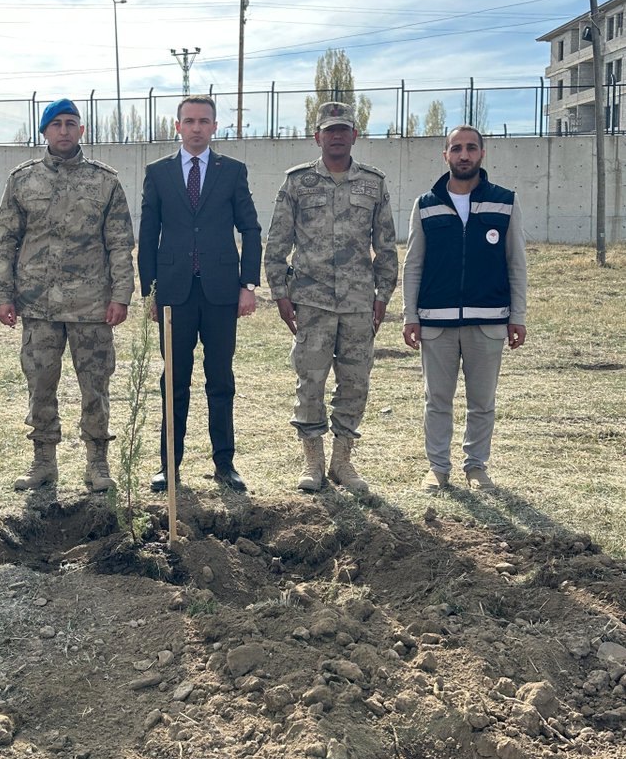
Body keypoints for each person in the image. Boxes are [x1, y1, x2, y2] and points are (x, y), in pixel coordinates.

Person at [0, 99, 134, 491]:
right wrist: (3, 296)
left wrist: (120, 295)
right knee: (40, 384)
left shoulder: (105, 181)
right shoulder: (23, 180)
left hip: (92, 305)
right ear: (44, 132)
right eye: (56, 124)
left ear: (82, 131)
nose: (64, 131)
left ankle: (97, 462)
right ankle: (43, 462)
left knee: (96, 386)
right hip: (38, 305)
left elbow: (120, 243)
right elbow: (4, 240)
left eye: (72, 123)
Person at [264, 101, 397, 496]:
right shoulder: (297, 183)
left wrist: (383, 296)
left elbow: (386, 246)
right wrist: (280, 294)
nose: (337, 136)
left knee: (355, 383)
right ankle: (313, 462)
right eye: (329, 130)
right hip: (312, 302)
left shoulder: (374, 183)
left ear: (355, 135)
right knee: (311, 382)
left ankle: (342, 462)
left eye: (344, 129)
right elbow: (277, 243)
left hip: (358, 303)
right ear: (317, 136)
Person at [137, 95, 262, 492]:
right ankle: (168, 467)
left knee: (220, 379)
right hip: (174, 294)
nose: (196, 128)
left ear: (214, 127)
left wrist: (248, 284)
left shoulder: (232, 171)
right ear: (177, 126)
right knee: (173, 380)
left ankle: (224, 464)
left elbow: (251, 229)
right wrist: (150, 292)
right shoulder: (158, 173)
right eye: (188, 121)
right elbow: (147, 233)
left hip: (222, 293)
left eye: (203, 121)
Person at [402, 125, 527, 491]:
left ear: (482, 154)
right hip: (436, 323)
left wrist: (517, 316)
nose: (464, 154)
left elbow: (516, 263)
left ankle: (476, 467)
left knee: (481, 402)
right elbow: (413, 264)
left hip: (488, 322)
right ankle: (438, 469)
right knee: (436, 400)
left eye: (471, 148)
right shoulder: (425, 204)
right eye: (456, 148)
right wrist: (411, 315)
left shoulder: (505, 201)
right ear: (446, 156)